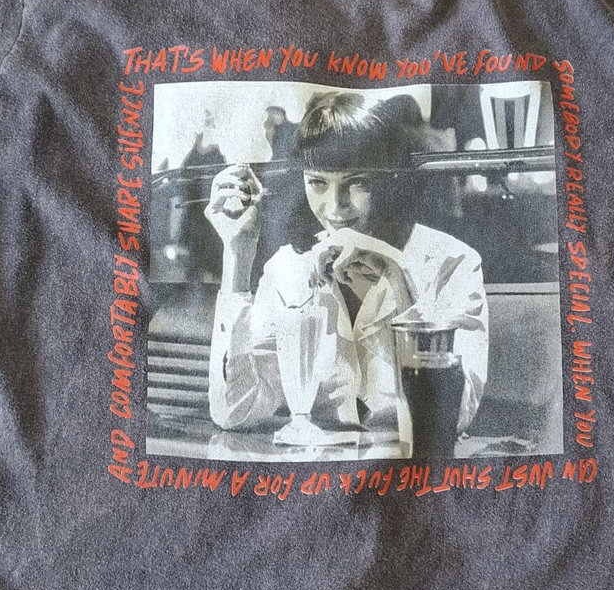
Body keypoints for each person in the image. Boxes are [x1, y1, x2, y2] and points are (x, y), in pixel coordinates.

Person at [204, 90, 488, 442]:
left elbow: (453, 416)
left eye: (357, 183)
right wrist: (237, 255)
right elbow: (234, 411)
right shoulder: (288, 271)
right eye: (317, 183)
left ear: (389, 178)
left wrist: (397, 278)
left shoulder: (453, 264)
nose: (335, 206)